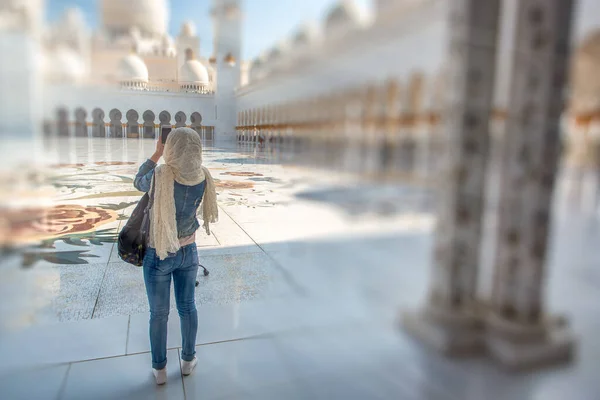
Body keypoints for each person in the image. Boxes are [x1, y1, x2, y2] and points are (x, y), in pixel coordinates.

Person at [133, 127, 218, 385]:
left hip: (159, 252)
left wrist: (156, 154)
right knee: (187, 307)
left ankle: (159, 370)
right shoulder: (202, 176)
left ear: (171, 146)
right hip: (188, 252)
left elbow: (138, 181)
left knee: (158, 313)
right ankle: (188, 361)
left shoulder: (161, 175)